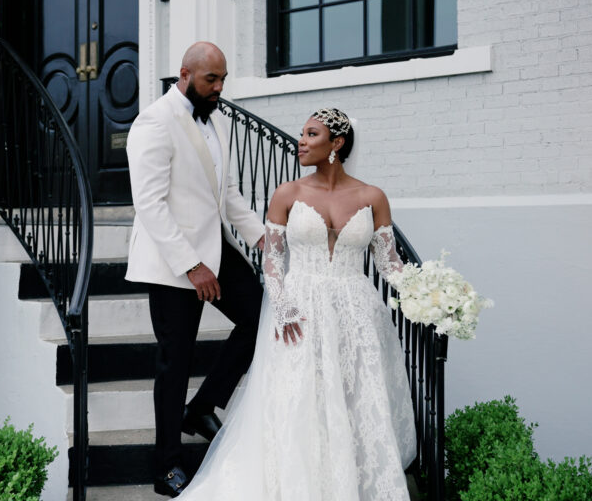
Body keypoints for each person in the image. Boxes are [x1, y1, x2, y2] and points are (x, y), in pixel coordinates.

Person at [177, 108, 417, 500]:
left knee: (353, 399)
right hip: (299, 311)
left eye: (311, 134)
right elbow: (272, 259)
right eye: (301, 134)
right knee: (300, 400)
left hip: (355, 312)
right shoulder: (288, 193)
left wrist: (431, 297)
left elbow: (389, 264)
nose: (300, 141)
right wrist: (284, 304)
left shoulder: (373, 197)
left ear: (336, 144)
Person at [125, 41, 266, 497]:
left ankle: (203, 406)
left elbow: (227, 193)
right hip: (173, 264)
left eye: (223, 79)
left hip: (218, 251)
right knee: (175, 363)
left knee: (261, 318)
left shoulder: (217, 120)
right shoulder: (154, 122)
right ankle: (166, 467)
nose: (219, 88)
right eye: (211, 79)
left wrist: (264, 238)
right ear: (184, 73)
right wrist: (192, 266)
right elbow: (148, 203)